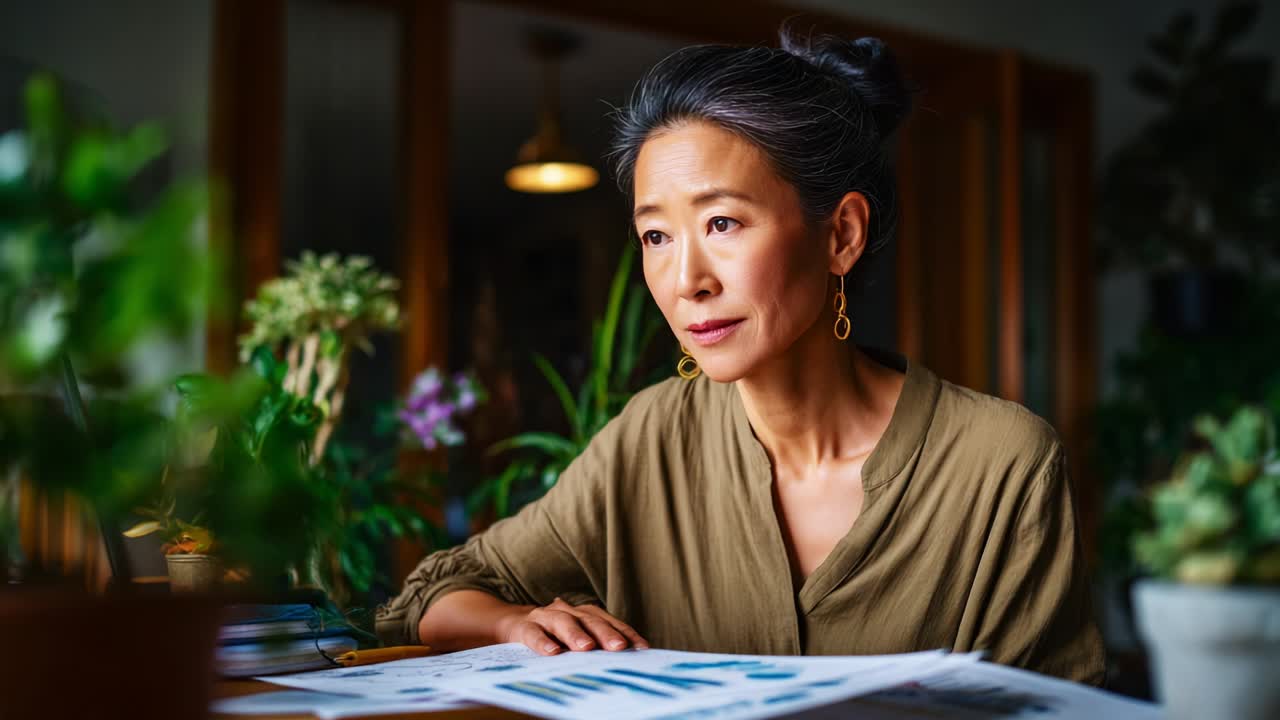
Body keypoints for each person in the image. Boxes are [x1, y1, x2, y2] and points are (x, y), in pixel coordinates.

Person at [377, 27, 1105, 686]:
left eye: (722, 222)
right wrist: (513, 624)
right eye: (656, 236)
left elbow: (1052, 706)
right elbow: (430, 595)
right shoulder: (652, 436)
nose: (687, 280)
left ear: (841, 236)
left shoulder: (1000, 462)